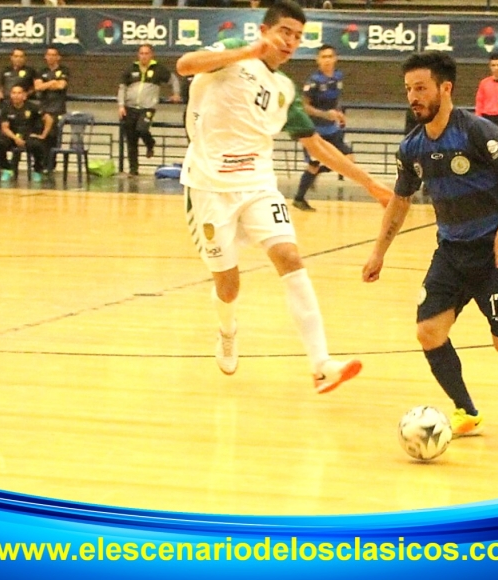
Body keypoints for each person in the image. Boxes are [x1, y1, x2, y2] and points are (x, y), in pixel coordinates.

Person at [176, 0, 392, 393]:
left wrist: (372, 185)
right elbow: (184, 65)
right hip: (208, 188)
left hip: (258, 184)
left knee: (290, 258)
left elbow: (319, 147)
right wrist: (247, 52)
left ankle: (321, 364)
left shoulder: (285, 90)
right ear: (264, 30)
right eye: (284, 32)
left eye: (298, 36)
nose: (291, 42)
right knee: (228, 284)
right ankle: (227, 330)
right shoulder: (231, 52)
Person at [362, 52, 498, 436]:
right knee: (428, 332)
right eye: (408, 90)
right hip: (452, 252)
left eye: (420, 88)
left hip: (496, 253)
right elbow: (400, 200)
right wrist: (378, 252)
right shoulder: (411, 147)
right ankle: (466, 410)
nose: (413, 97)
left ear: (446, 88)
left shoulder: (475, 131)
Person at [293, 44, 352, 211]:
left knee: (348, 159)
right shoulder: (313, 82)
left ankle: (314, 175)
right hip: (314, 131)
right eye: (323, 57)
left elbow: (335, 102)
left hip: (332, 130)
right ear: (317, 60)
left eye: (330, 56)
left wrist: (339, 114)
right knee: (313, 165)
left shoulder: (338, 77)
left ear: (335, 58)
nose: (327, 60)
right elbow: (305, 107)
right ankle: (299, 198)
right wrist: (326, 114)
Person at [117, 44, 182, 177]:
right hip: (130, 108)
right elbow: (122, 88)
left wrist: (176, 93)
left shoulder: (158, 68)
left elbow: (173, 79)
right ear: (138, 55)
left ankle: (150, 143)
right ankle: (133, 170)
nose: (144, 56)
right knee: (131, 139)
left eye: (147, 53)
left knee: (142, 129)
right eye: (141, 53)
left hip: (147, 108)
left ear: (151, 55)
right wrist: (121, 105)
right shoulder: (131, 69)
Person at [0, 85, 53, 183]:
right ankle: (7, 169)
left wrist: (43, 135)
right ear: (11, 95)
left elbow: (49, 118)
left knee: (37, 145)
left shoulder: (32, 107)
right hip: (12, 136)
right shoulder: (6, 108)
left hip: (27, 136)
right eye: (14, 93)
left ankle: (37, 170)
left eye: (19, 93)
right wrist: (15, 138)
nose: (16, 95)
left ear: (24, 96)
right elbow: (5, 128)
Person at [34, 45, 69, 170]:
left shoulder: (64, 70)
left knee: (52, 138)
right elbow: (38, 87)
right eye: (49, 54)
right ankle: (38, 164)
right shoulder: (40, 71)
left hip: (57, 110)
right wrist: (51, 82)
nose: (51, 57)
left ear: (58, 57)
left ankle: (50, 165)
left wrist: (46, 84)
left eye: (54, 55)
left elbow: (61, 85)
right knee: (39, 137)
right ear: (45, 56)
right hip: (43, 109)